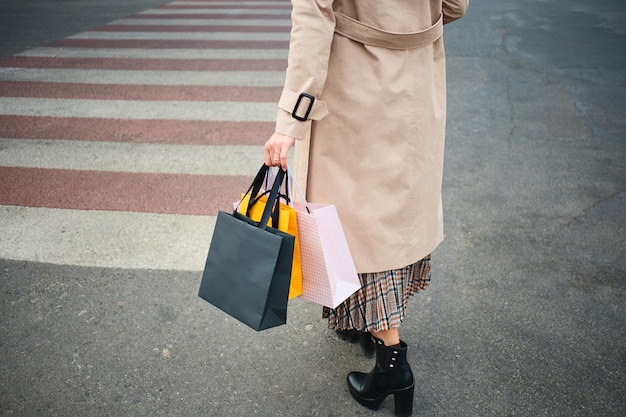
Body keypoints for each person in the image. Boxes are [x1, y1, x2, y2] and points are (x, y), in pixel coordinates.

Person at [264, 1, 468, 416]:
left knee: (357, 226)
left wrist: (290, 120)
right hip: (418, 75)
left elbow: (313, 18)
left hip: (355, 82)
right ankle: (362, 322)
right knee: (392, 219)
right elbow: (453, 5)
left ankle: (392, 362)